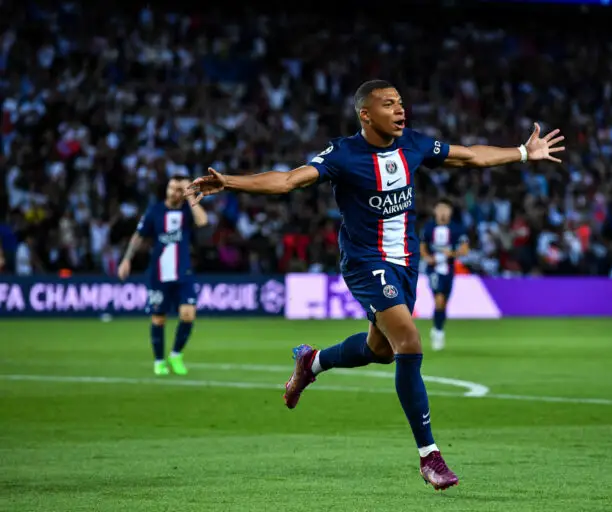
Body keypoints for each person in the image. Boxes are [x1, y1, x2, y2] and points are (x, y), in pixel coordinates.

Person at [186, 80, 565, 490]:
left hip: (406, 263)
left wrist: (524, 152)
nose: (400, 109)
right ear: (365, 114)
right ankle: (430, 456)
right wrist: (230, 182)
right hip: (367, 263)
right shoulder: (343, 154)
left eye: (400, 102)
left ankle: (311, 362)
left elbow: (470, 155)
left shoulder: (413, 144)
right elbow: (289, 180)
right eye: (388, 104)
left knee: (380, 351)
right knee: (409, 342)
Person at [118, 176, 208, 375]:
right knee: (159, 319)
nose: (174, 192)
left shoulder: (187, 210)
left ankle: (176, 355)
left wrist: (190, 195)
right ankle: (159, 361)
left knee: (188, 314)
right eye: (171, 188)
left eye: (179, 189)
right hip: (159, 273)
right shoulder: (155, 211)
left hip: (183, 272)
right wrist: (126, 259)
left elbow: (203, 221)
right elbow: (139, 236)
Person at [420, 198, 469, 351]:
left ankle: (438, 327)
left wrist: (452, 253)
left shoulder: (457, 228)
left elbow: (465, 250)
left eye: (445, 209)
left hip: (449, 269)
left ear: (450, 212)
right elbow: (422, 247)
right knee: (439, 298)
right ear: (435, 211)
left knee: (444, 302)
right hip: (433, 269)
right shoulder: (428, 228)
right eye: (440, 209)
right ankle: (439, 332)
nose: (442, 212)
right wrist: (428, 258)